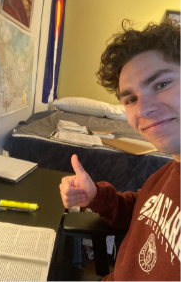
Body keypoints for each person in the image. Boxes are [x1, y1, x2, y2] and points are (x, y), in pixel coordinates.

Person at [59, 18, 180, 281]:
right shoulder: (168, 171)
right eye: (131, 99)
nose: (143, 110)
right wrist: (95, 196)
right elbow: (144, 210)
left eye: (161, 84)